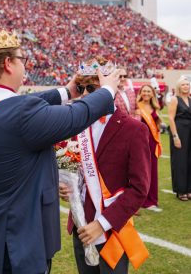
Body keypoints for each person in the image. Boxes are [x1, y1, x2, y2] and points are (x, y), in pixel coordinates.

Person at [0, 30, 120, 274]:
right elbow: (73, 116)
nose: (24, 67)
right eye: (21, 60)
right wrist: (107, 90)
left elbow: (22, 104)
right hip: (9, 251)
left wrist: (67, 92)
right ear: (8, 64)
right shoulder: (19, 113)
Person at [59, 57, 151, 274]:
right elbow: (73, 171)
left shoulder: (133, 129)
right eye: (80, 88)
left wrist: (102, 224)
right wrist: (64, 187)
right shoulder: (75, 123)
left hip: (112, 230)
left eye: (91, 88)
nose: (83, 95)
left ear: (111, 90)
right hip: (81, 226)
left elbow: (139, 188)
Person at [137, 84, 162, 212]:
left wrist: (159, 142)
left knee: (153, 171)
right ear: (140, 93)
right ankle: (141, 199)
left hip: (152, 142)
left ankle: (152, 200)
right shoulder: (137, 107)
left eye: (148, 91)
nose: (146, 93)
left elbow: (157, 126)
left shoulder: (155, 107)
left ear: (152, 93)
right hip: (140, 142)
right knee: (141, 172)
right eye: (144, 91)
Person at [168, 76, 191, 201]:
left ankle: (188, 189)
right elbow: (171, 118)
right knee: (180, 161)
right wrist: (175, 136)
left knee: (189, 160)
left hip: (190, 132)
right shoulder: (174, 99)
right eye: (183, 85)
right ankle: (181, 190)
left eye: (187, 84)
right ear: (179, 87)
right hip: (179, 132)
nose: (186, 87)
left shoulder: (190, 99)